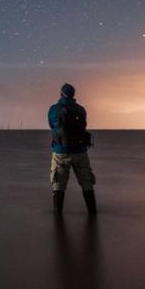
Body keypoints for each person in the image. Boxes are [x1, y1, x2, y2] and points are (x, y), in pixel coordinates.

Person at [48, 83, 96, 215]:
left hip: (60, 152)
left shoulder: (53, 109)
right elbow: (84, 125)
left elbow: (52, 124)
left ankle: (58, 214)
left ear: (61, 94)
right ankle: (92, 212)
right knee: (87, 182)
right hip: (80, 152)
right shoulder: (81, 110)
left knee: (58, 183)